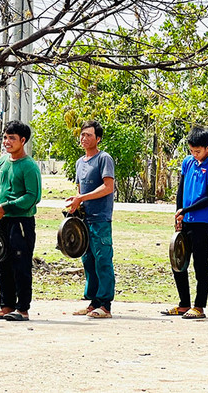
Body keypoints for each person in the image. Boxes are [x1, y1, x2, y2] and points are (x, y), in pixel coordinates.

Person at [0, 120, 42, 322]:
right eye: (5, 137)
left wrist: (5, 207)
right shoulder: (1, 162)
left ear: (23, 140)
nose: (7, 142)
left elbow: (32, 197)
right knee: (2, 264)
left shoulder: (29, 166)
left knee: (20, 265)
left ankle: (22, 309)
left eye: (12, 138)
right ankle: (6, 307)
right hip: (1, 222)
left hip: (21, 223)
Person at [162, 126, 208, 320]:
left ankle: (199, 306)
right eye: (191, 150)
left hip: (202, 222)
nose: (194, 154)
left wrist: (186, 210)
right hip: (185, 220)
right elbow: (181, 190)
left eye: (198, 151)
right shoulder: (188, 162)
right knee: (178, 260)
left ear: (207, 148)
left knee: (200, 263)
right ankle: (183, 304)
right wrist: (179, 213)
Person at [65, 120, 116, 319]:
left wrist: (82, 198)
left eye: (89, 135)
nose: (84, 138)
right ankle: (93, 301)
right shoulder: (79, 162)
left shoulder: (104, 159)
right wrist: (75, 205)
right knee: (88, 260)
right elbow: (80, 190)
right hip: (85, 221)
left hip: (101, 218)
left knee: (103, 259)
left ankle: (105, 305)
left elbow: (108, 187)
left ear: (98, 138)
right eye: (82, 134)